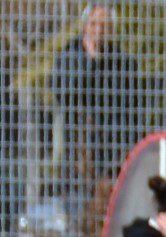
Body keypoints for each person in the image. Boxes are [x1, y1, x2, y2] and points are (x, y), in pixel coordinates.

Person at [50, 4, 145, 192]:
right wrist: (90, 63)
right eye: (94, 24)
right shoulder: (68, 56)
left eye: (105, 26)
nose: (99, 31)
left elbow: (128, 105)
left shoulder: (123, 62)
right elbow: (65, 95)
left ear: (112, 31)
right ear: (85, 26)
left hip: (112, 150)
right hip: (76, 150)